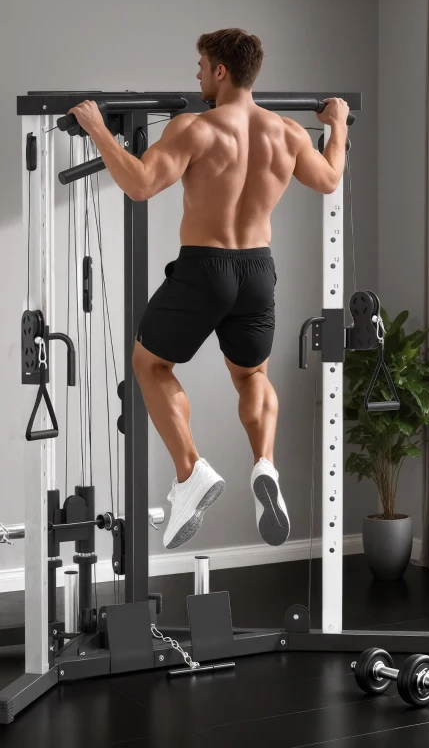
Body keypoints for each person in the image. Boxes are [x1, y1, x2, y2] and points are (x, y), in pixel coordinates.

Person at [68, 27, 349, 550]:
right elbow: (330, 180)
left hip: (205, 267)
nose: (195, 75)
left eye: (200, 65)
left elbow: (140, 183)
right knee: (253, 374)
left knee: (150, 366)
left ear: (221, 71)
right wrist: (336, 128)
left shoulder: (195, 128)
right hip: (258, 271)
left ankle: (190, 471)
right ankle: (265, 464)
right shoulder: (287, 133)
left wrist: (98, 129)